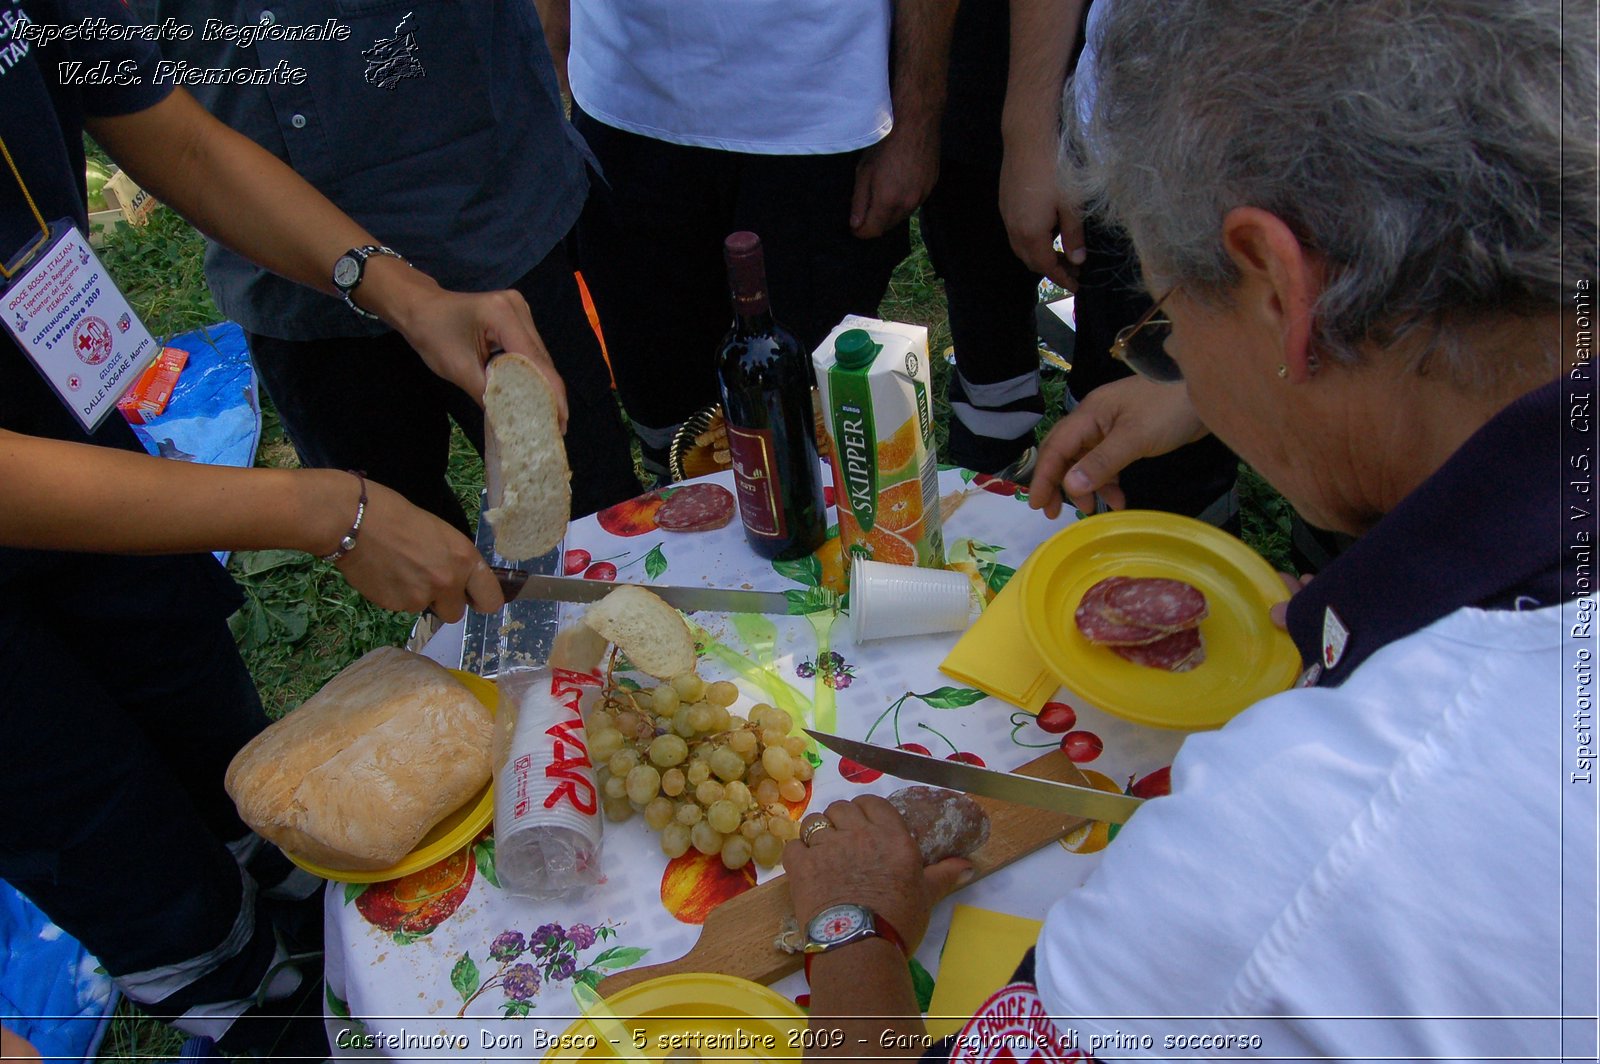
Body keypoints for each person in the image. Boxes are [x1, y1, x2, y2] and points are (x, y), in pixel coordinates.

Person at [785, 0, 1595, 1057]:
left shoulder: (1303, 845)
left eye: (1165, 320)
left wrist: (854, 929)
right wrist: (1223, 389)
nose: (1174, 360)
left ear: (1275, 285)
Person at [0, 1, 518, 1054]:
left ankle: (312, 949)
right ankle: (253, 1009)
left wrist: (406, 295)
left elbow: (174, 133)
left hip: (88, 453)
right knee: (133, 864)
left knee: (237, 765)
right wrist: (321, 508)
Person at [134, 0, 642, 528]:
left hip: (488, 208)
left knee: (588, 511)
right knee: (401, 537)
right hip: (285, 279)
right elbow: (157, 124)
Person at [542, 0, 958, 480]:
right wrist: (553, 32)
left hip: (816, 107)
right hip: (626, 100)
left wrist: (919, 116)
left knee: (809, 430)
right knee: (672, 427)